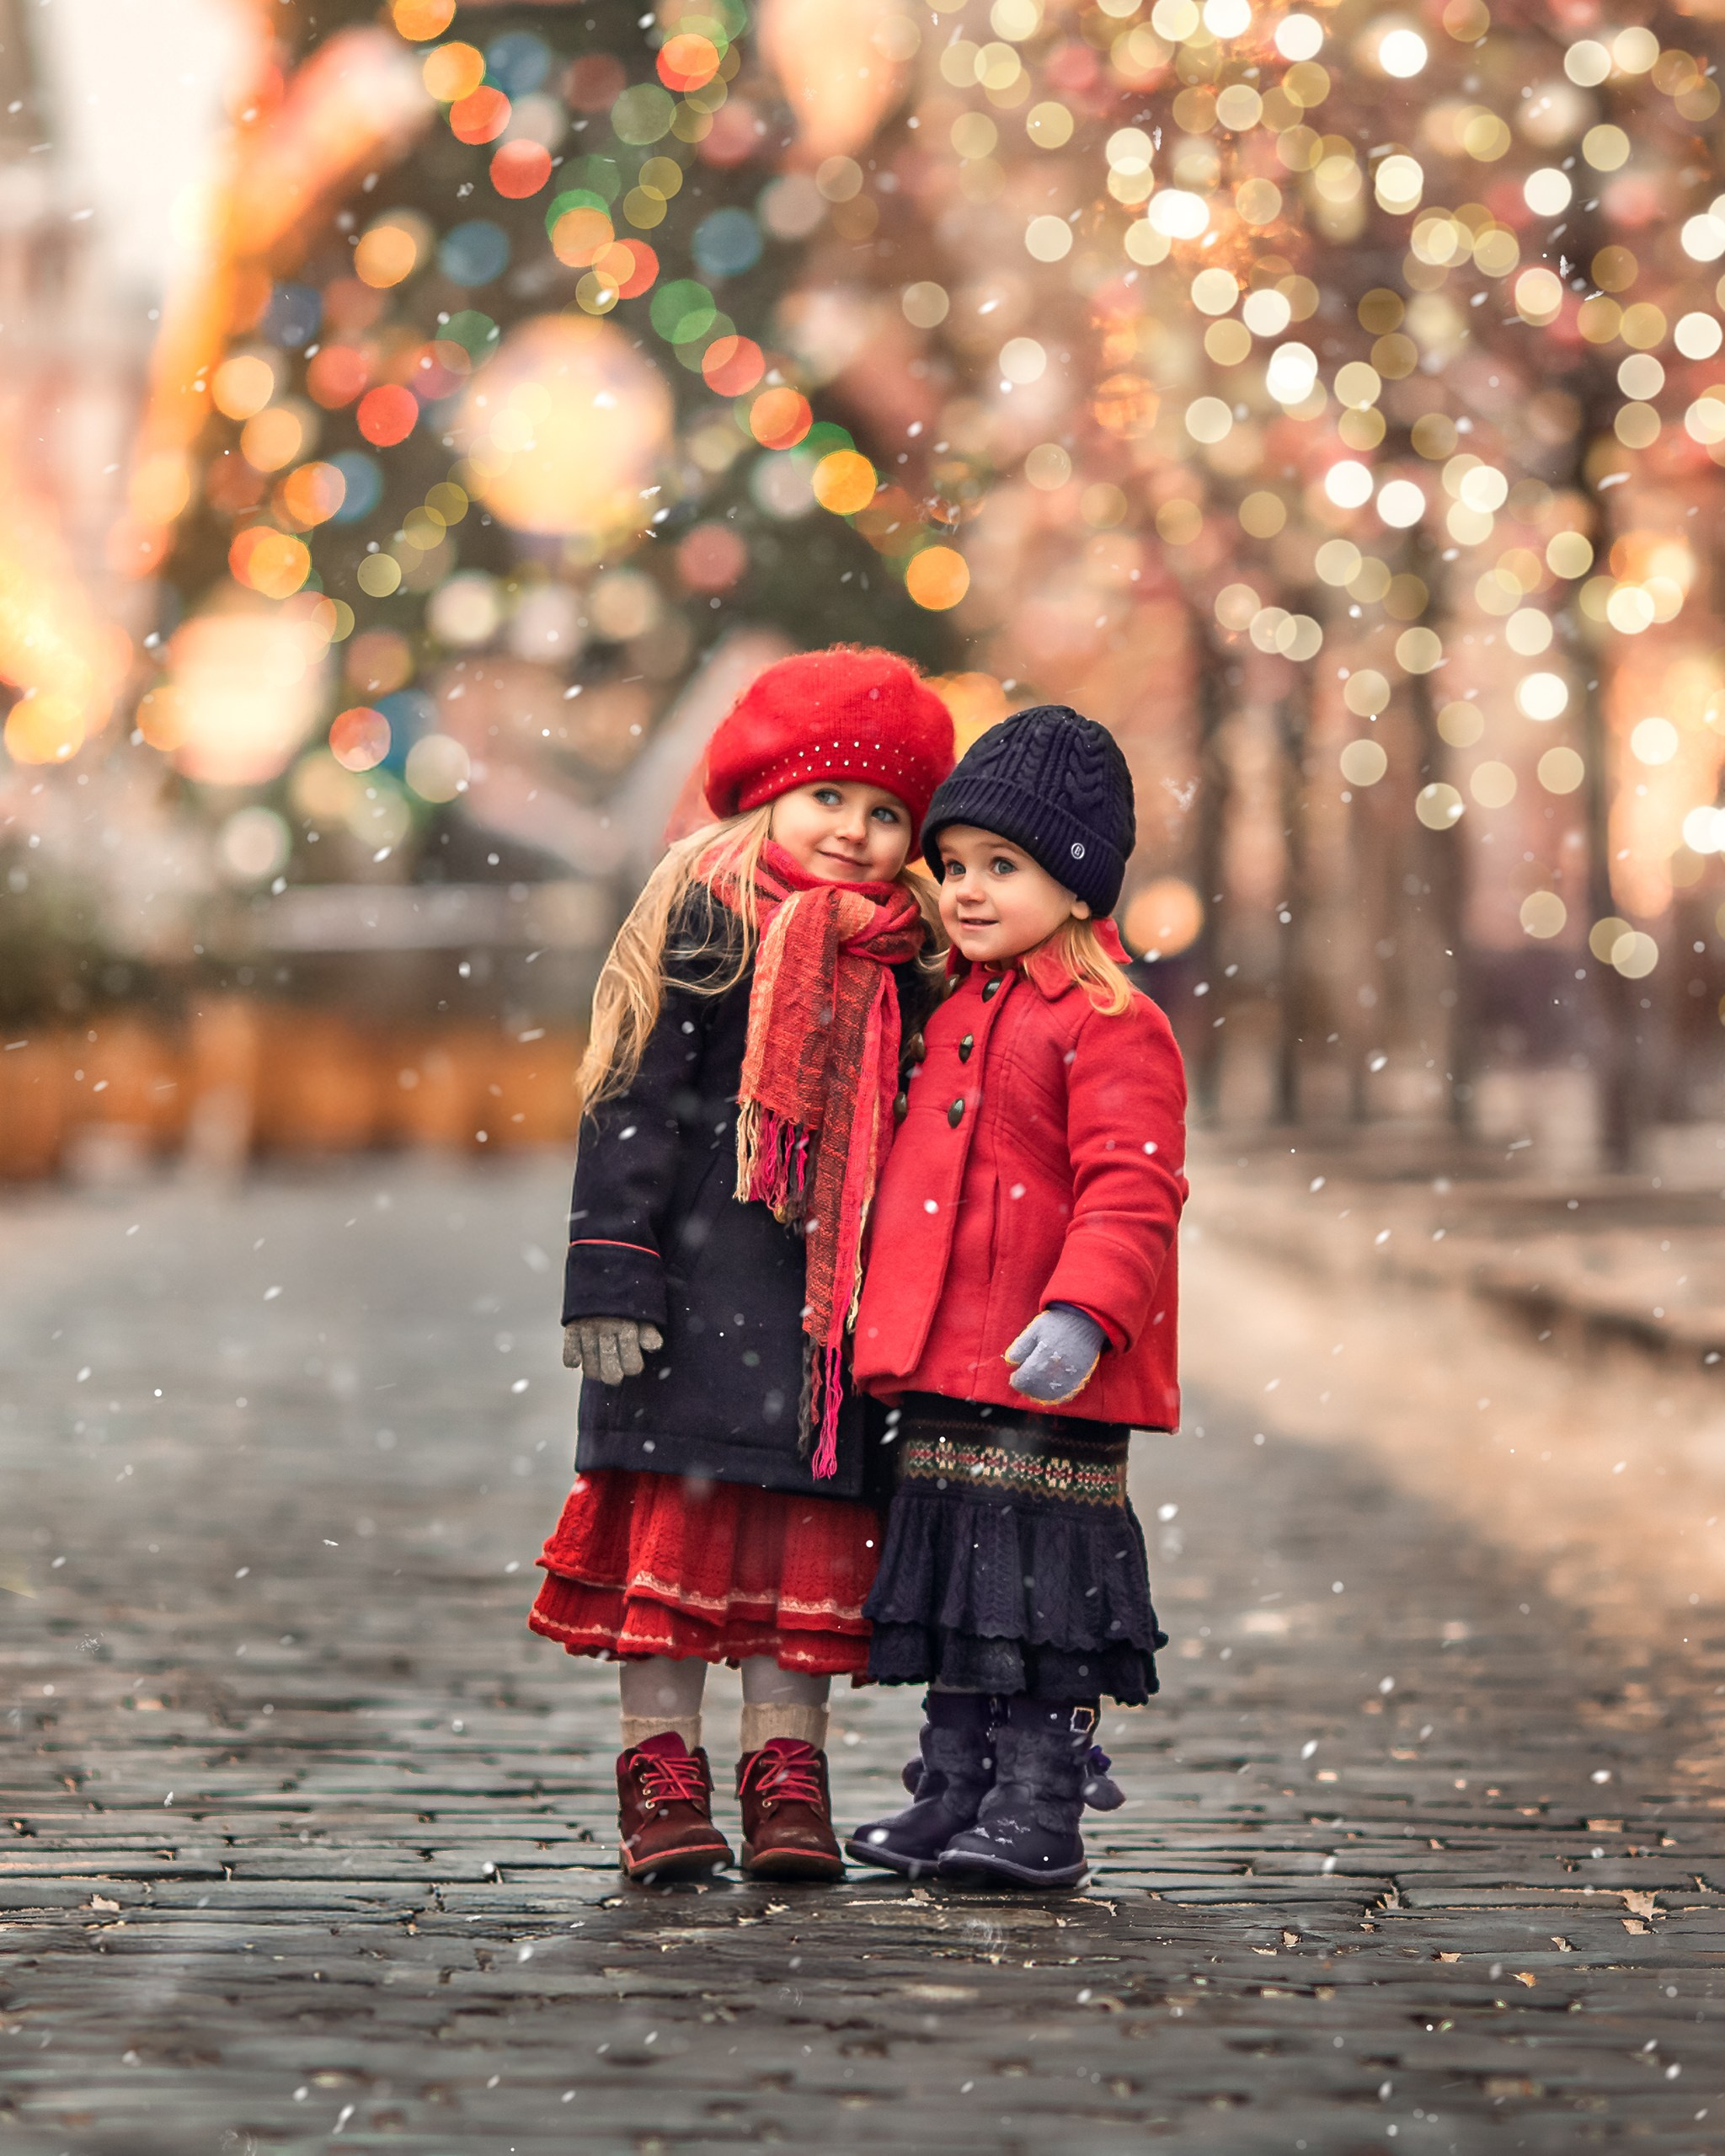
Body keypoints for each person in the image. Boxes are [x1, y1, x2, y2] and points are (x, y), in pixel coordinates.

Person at [527, 647, 953, 1884]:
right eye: (830, 799)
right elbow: (633, 1105)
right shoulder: (705, 917)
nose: (857, 834)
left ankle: (787, 1772)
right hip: (690, 1299)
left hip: (825, 1321)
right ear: (767, 796)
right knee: (674, 1546)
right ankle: (661, 1770)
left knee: (797, 1554)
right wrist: (610, 1267)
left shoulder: (906, 955)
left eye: (886, 816)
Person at [845, 704, 1188, 1888]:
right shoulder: (951, 1011)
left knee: (1039, 1594)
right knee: (957, 1580)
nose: (967, 892)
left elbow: (1133, 1188)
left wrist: (1087, 1310)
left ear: (1079, 886)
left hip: (1050, 1363)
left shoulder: (1110, 1023)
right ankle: (954, 1789)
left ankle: (1041, 1798)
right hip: (947, 1360)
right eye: (953, 867)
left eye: (1004, 867)